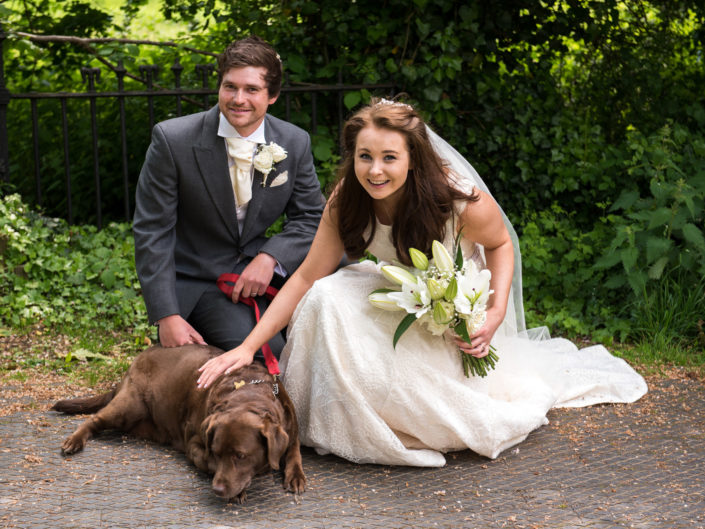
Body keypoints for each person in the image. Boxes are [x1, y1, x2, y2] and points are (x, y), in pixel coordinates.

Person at [197, 98, 647, 466]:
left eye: (390, 157)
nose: (375, 170)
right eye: (365, 156)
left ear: (413, 159)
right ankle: (343, 419)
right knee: (325, 295)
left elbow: (502, 245)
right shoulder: (347, 201)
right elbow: (305, 278)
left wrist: (492, 314)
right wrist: (247, 346)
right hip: (394, 289)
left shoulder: (457, 202)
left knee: (443, 398)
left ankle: (397, 415)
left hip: (448, 304)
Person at [133, 36, 324, 360]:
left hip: (267, 275)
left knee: (323, 338)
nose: (238, 99)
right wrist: (167, 316)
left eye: (251, 89)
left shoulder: (294, 141)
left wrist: (269, 258)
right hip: (202, 280)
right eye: (230, 87)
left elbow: (310, 217)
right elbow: (153, 231)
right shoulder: (173, 140)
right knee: (273, 355)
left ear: (272, 95)